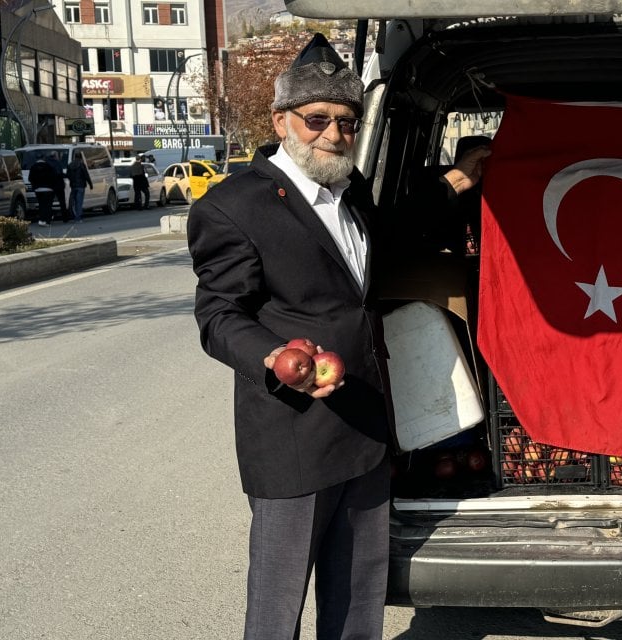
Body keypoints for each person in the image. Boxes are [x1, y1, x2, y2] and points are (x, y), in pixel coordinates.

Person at [187, 33, 481, 640]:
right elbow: (219, 316)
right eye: (317, 119)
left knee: (357, 599)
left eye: (346, 123)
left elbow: (392, 234)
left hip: (367, 428)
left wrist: (458, 180)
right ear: (281, 121)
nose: (333, 134)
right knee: (277, 607)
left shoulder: (353, 192)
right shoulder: (234, 207)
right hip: (293, 433)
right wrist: (275, 355)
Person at [28, 156, 60, 227]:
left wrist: (35, 185)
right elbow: (55, 176)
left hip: (38, 189)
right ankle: (47, 221)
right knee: (48, 205)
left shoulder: (33, 167)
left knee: (41, 204)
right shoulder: (49, 166)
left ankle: (41, 219)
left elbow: (30, 178)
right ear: (44, 159)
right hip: (48, 189)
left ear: (37, 159)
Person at [66, 152, 93, 223]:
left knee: (74, 202)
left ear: (74, 157)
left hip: (73, 186)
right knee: (79, 202)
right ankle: (78, 217)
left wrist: (72, 181)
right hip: (81, 186)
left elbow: (67, 175)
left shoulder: (70, 165)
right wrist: (90, 184)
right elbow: (86, 175)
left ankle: (75, 216)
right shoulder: (81, 165)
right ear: (80, 157)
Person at [46, 156, 69, 221]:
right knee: (62, 202)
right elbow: (60, 173)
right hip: (59, 185)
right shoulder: (58, 163)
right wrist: (67, 175)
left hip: (51, 186)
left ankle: (48, 218)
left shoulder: (47, 164)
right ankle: (65, 218)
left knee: (49, 203)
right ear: (55, 156)